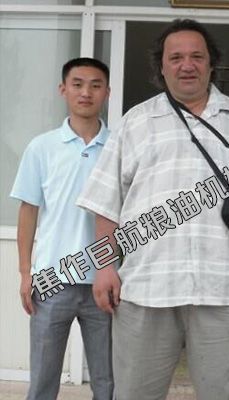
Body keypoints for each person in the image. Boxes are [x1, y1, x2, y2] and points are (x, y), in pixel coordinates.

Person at [77, 19, 229, 400]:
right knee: (135, 394)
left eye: (196, 57)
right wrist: (105, 267)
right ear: (161, 66)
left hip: (224, 288)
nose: (186, 65)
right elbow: (106, 203)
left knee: (222, 394)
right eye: (175, 58)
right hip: (146, 288)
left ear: (211, 63)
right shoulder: (136, 121)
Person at [10, 57, 113, 400]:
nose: (86, 92)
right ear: (63, 89)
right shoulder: (42, 147)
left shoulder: (119, 147)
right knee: (43, 378)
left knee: (108, 380)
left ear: (107, 92)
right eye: (78, 84)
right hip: (52, 278)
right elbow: (28, 211)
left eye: (96, 85)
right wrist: (26, 273)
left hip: (105, 279)